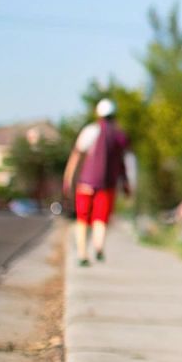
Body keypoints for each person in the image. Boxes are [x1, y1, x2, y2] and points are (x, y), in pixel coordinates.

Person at [62, 98, 133, 267]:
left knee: (82, 219)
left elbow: (76, 156)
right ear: (114, 115)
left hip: (85, 184)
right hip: (106, 185)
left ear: (98, 114)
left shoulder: (90, 131)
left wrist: (68, 179)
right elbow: (124, 162)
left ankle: (81, 254)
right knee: (100, 218)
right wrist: (126, 183)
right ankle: (98, 246)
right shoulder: (119, 136)